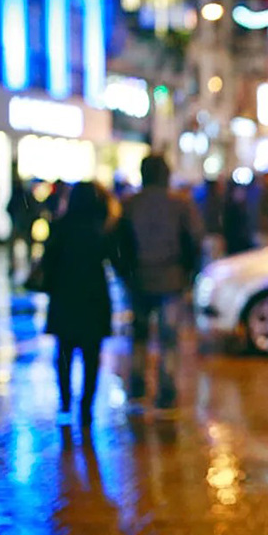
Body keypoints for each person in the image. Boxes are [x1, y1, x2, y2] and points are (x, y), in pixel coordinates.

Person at [117, 155, 203, 410]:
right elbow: (194, 241)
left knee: (139, 337)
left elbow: (119, 244)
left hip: (139, 280)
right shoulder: (180, 204)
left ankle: (137, 388)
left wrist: (126, 274)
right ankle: (166, 392)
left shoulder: (131, 204)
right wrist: (188, 274)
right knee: (169, 340)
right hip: (172, 280)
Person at [41, 181, 119, 425]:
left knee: (64, 353)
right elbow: (117, 261)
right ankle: (86, 407)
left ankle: (65, 403)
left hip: (65, 298)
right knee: (91, 357)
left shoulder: (60, 227)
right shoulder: (101, 231)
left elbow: (48, 262)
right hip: (93, 299)